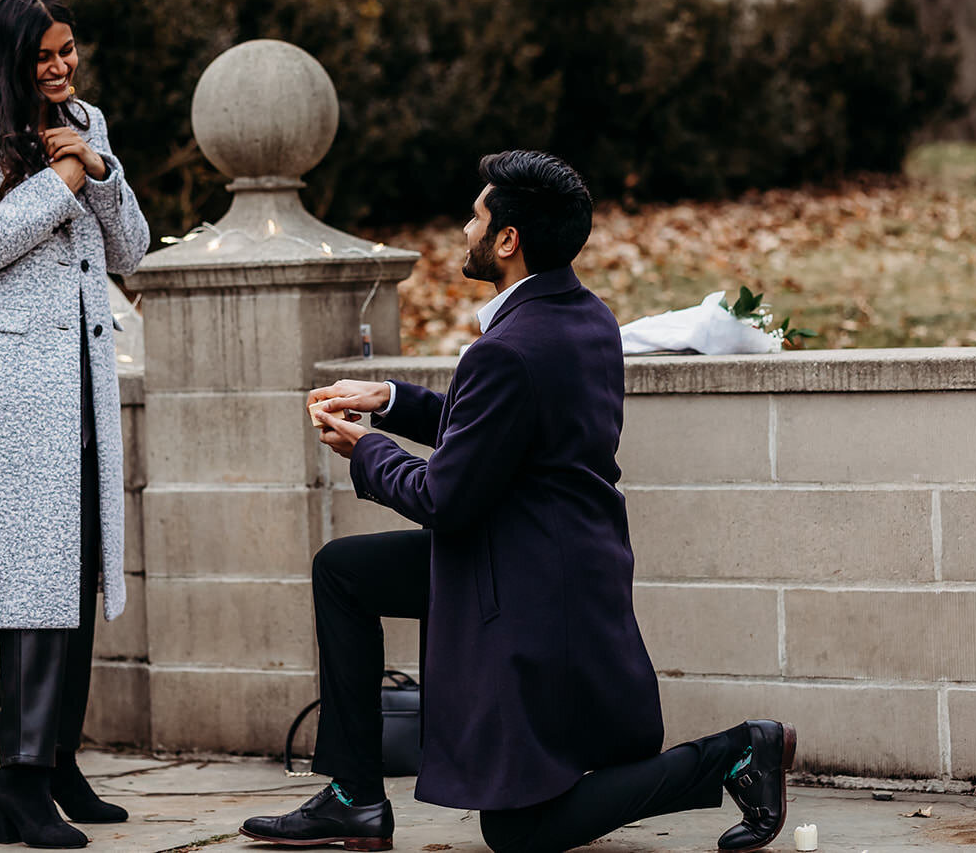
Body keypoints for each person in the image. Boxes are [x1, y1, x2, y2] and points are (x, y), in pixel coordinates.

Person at [240, 151, 796, 853]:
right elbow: (500, 432)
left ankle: (736, 752)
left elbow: (446, 496)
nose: (463, 229)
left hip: (528, 588)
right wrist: (389, 400)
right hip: (553, 561)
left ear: (507, 239)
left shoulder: (508, 349)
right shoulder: (585, 317)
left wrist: (366, 449)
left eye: (476, 217)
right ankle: (353, 794)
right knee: (344, 571)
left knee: (518, 830)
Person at [0, 0, 150, 849]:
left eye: (68, 51)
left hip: (82, 376)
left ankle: (58, 759)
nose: (62, 67)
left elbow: (131, 251)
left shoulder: (83, 120)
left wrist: (99, 168)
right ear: (12, 57)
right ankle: (17, 781)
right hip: (14, 387)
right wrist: (58, 180)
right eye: (46, 55)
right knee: (32, 580)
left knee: (80, 565)